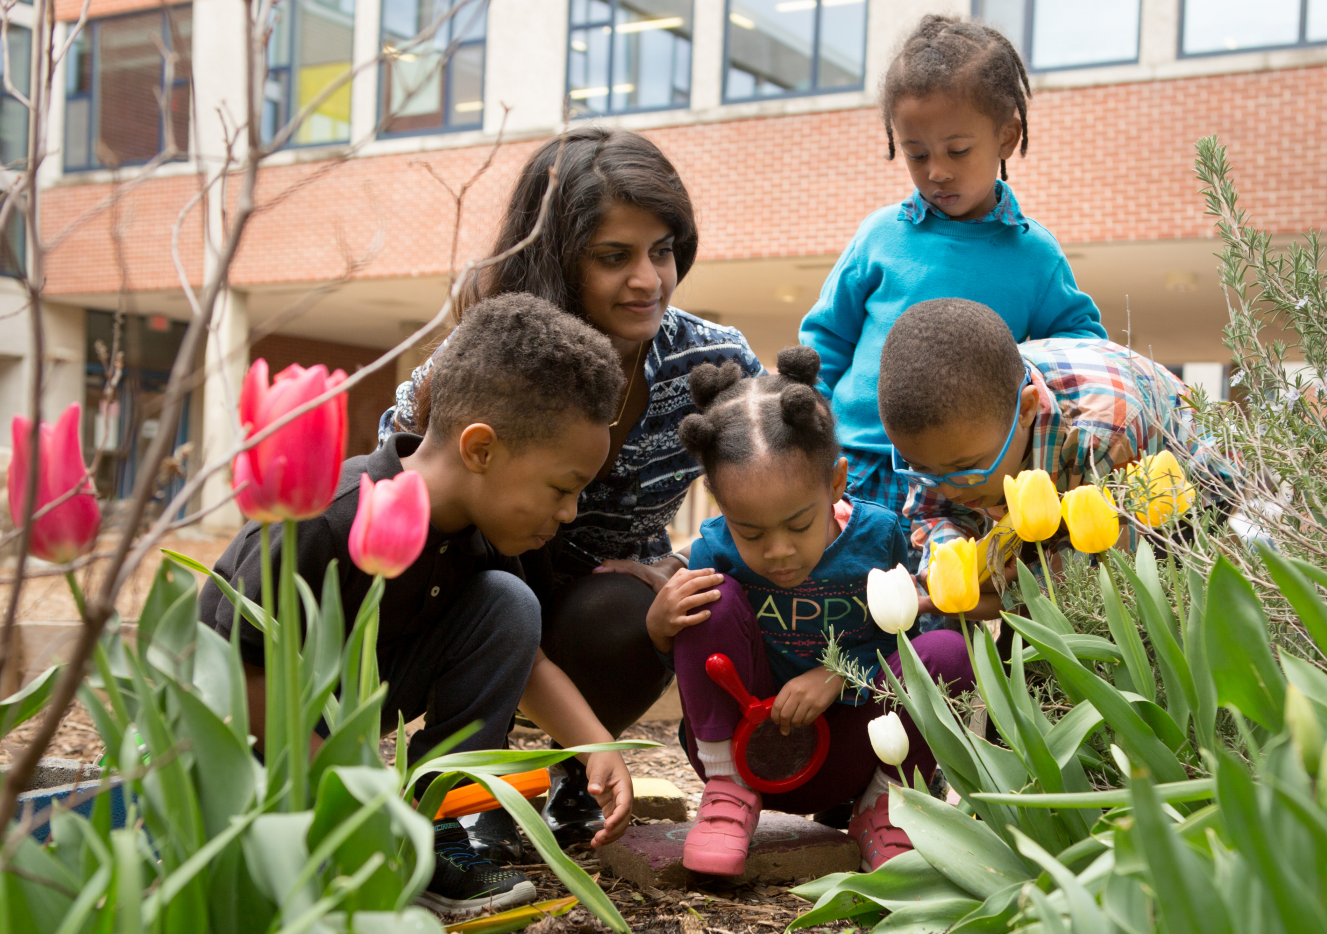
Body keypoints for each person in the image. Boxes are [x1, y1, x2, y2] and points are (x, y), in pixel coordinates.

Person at [379, 127, 764, 855]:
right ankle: (474, 791)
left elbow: (772, 480)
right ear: (558, 259)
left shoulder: (712, 363)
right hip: (479, 587)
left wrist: (686, 563)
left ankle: (575, 774)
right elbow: (402, 465)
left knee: (641, 606)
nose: (648, 280)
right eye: (613, 257)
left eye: (662, 251)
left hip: (606, 606)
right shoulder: (494, 352)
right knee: (498, 598)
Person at [200, 294, 635, 920]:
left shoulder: (484, 530)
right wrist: (350, 795)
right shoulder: (328, 515)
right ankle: (338, 839)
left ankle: (429, 831)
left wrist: (594, 746)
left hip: (347, 709)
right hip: (240, 725)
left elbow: (527, 661)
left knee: (509, 604)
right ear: (480, 449)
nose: (568, 513)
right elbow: (243, 668)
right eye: (562, 488)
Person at [646, 347, 975, 877]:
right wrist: (661, 632)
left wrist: (837, 675)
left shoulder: (877, 538)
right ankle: (726, 799)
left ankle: (887, 809)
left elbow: (902, 647)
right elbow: (700, 667)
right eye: (751, 532)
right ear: (719, 500)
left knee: (948, 652)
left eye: (799, 525)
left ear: (837, 482)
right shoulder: (715, 551)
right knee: (705, 599)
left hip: (852, 755)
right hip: (743, 751)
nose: (778, 551)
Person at [799, 14, 1107, 533]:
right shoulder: (879, 236)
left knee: (946, 586)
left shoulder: (1035, 256)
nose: (936, 171)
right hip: (855, 465)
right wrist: (811, 437)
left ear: (1007, 136)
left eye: (957, 150)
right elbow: (825, 343)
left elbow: (1081, 352)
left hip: (965, 482)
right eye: (916, 154)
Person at [879, 298, 1232, 619]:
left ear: (1026, 409)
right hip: (1052, 464)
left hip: (1191, 488)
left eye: (965, 469)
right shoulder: (950, 439)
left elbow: (1100, 583)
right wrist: (949, 565)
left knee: (1148, 617)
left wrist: (1011, 594)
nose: (948, 490)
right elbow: (936, 511)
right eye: (921, 469)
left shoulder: (1103, 438)